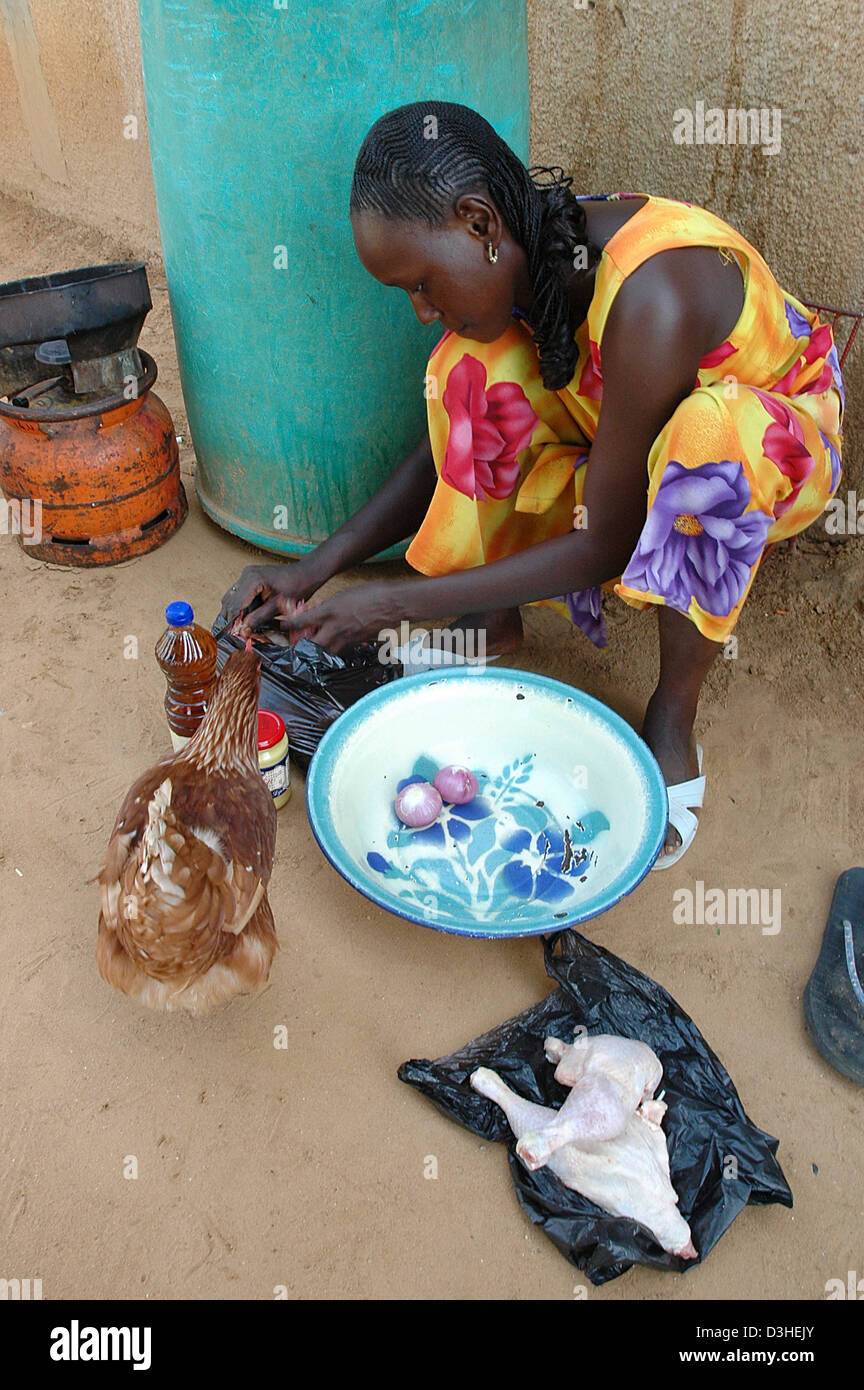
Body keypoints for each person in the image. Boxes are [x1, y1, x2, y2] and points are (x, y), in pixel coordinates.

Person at [221, 101, 844, 866]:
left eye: (420, 283)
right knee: (467, 365)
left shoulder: (653, 296)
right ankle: (492, 621)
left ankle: (674, 714)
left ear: (479, 223)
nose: (420, 311)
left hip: (773, 441)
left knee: (707, 437)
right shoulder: (534, 253)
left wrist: (391, 603)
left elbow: (606, 541)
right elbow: (437, 451)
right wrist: (311, 570)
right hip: (623, 415)